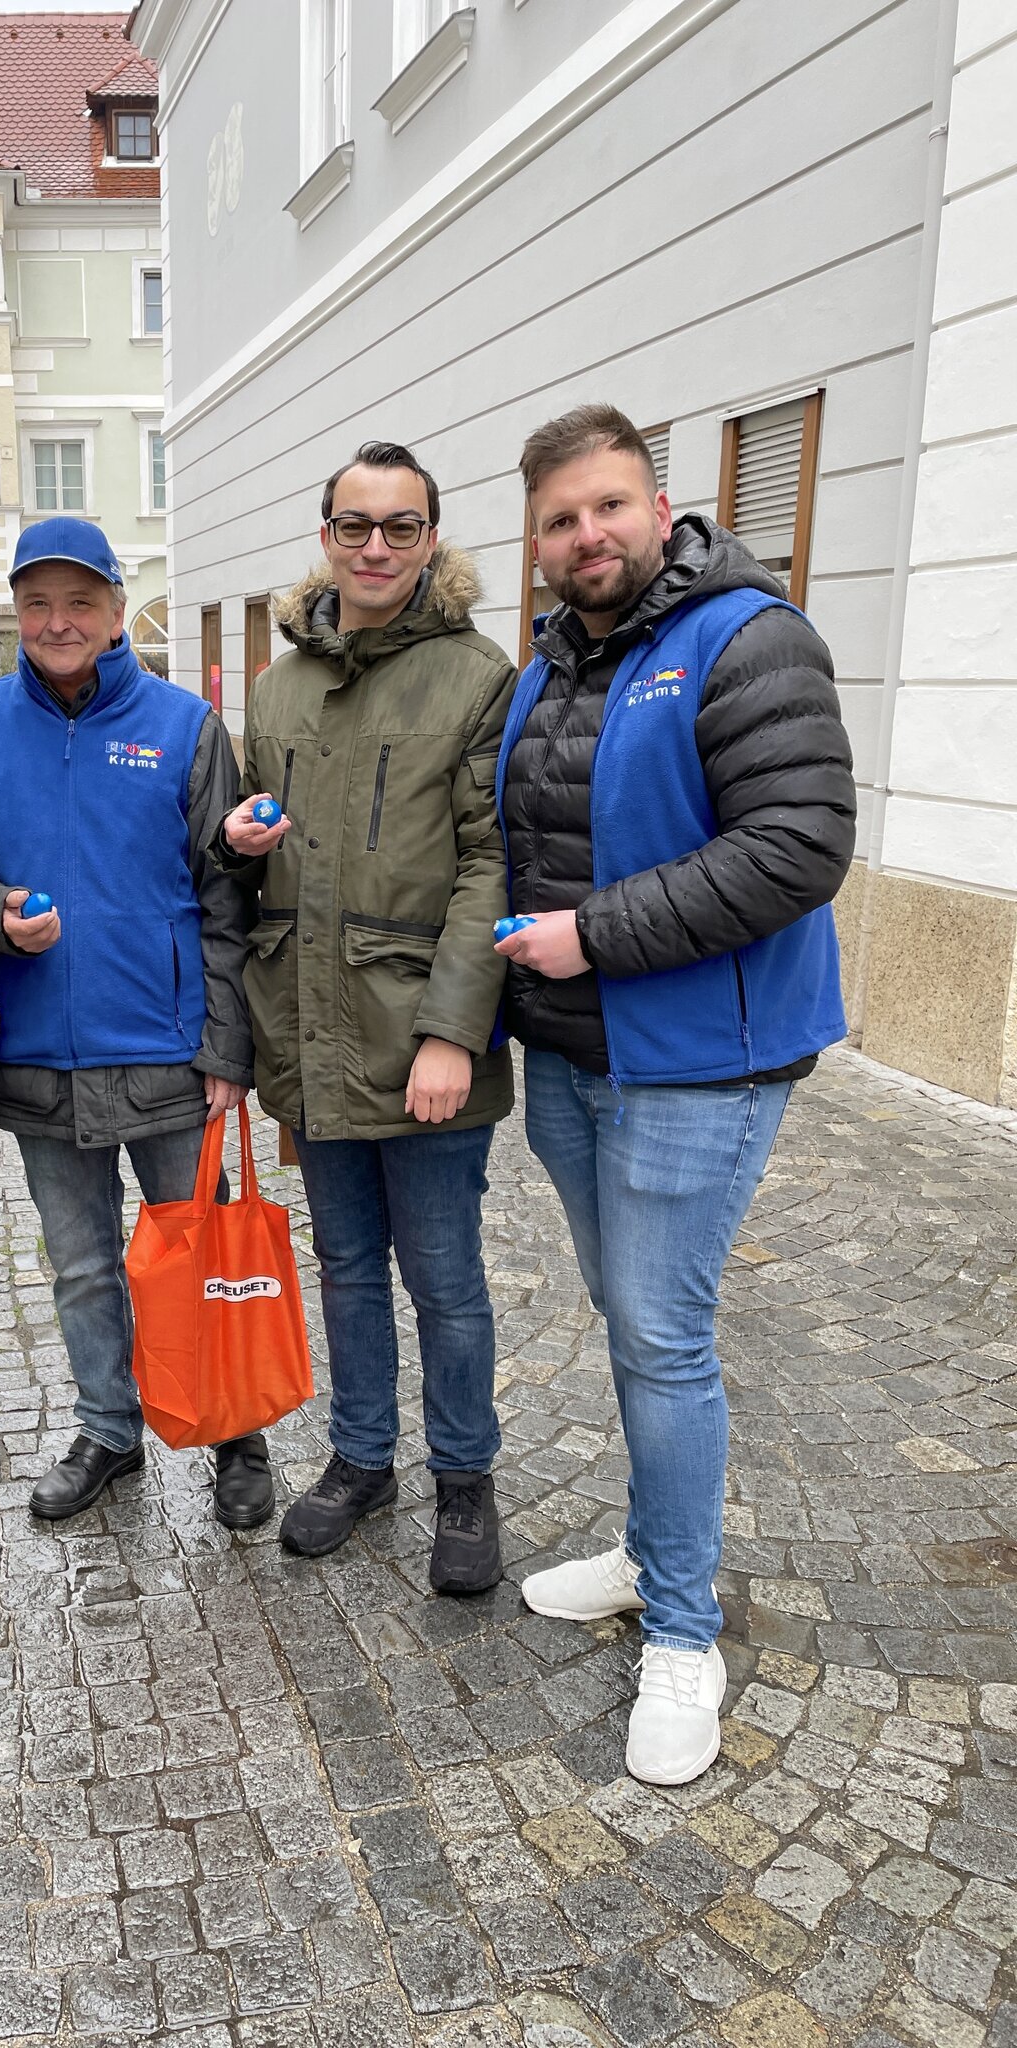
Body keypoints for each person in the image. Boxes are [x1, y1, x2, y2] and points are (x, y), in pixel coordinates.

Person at [495, 403, 855, 1783]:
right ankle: (651, 1557)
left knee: (663, 1338)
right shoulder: (550, 670)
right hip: (576, 1065)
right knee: (632, 1323)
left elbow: (798, 844)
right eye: (560, 519)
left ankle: (687, 1631)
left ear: (661, 510)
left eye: (608, 508)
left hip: (703, 1061)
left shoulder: (746, 637)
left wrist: (591, 936)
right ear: (535, 541)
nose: (587, 536)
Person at [0, 517, 266, 1527]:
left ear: (116, 611)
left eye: (79, 601)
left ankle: (237, 1433)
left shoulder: (188, 726)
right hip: (37, 1050)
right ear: (15, 612)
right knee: (81, 1265)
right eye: (37, 602)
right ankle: (110, 1429)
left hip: (167, 1049)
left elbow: (223, 897)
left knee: (201, 1251)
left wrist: (225, 1046)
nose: (57, 621)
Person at [217, 441, 515, 1596]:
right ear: (325, 536)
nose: (377, 547)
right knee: (343, 1263)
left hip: (420, 1039)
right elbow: (256, 850)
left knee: (443, 1272)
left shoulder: (477, 674)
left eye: (401, 527)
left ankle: (465, 1478)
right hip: (312, 1028)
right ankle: (361, 1456)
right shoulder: (279, 682)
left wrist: (453, 1030)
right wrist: (244, 838)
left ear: (432, 538)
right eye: (356, 526)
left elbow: (493, 863)